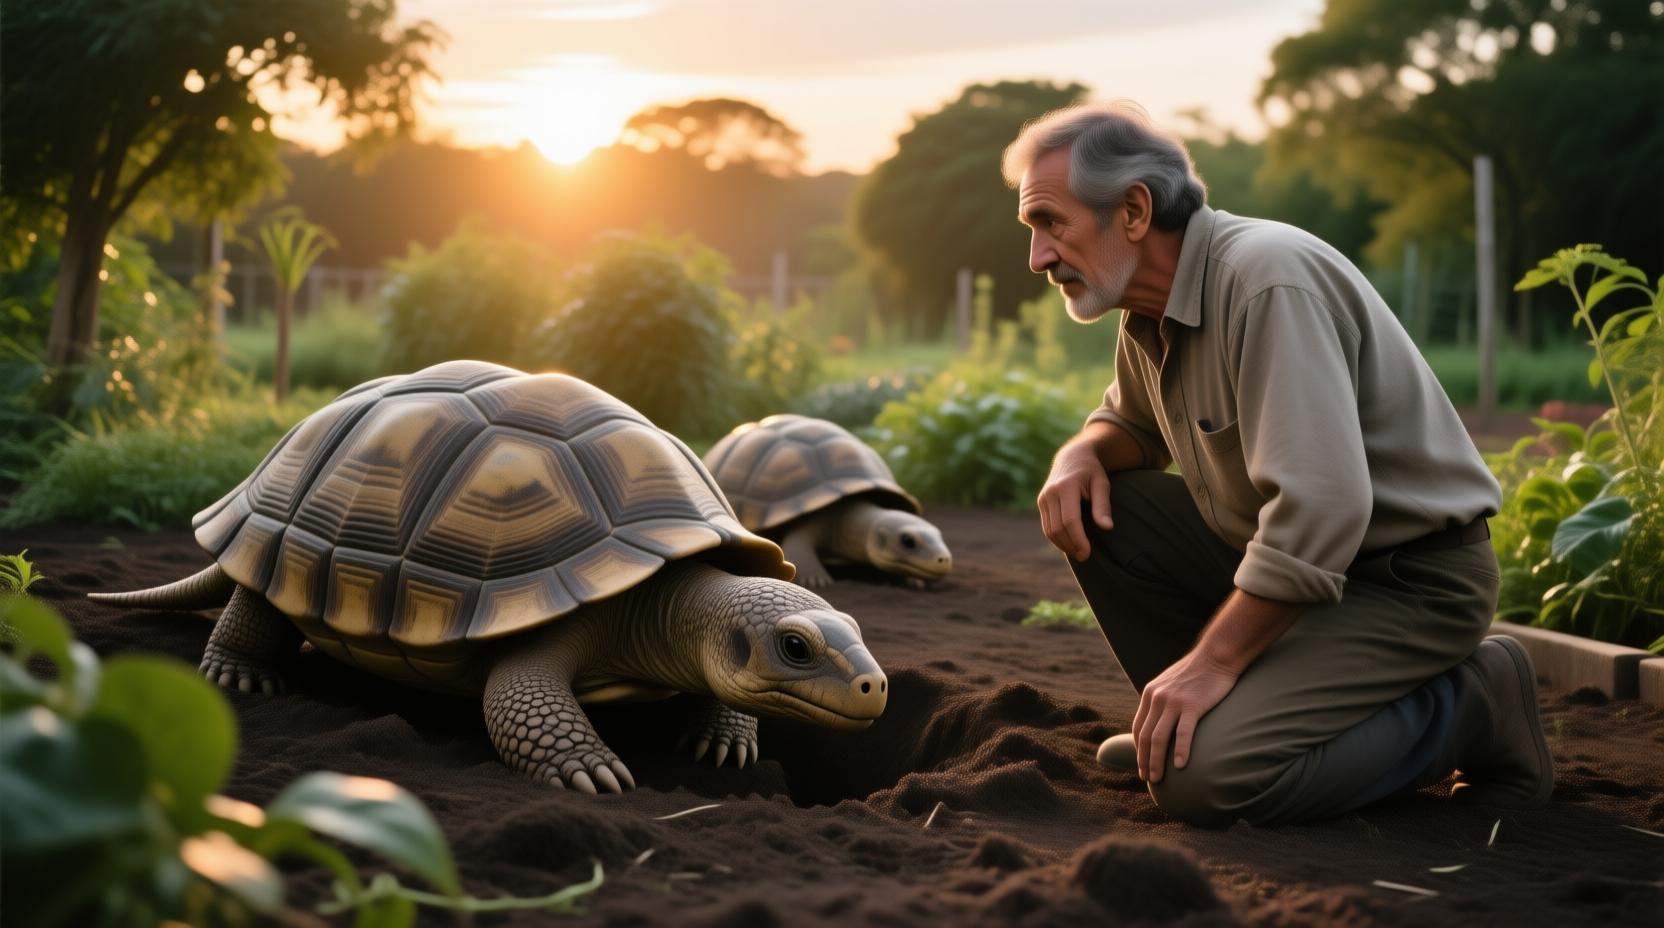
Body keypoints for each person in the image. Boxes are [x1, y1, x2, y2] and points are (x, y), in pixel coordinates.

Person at [1004, 101, 1552, 826]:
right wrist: (1079, 453)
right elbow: (1131, 423)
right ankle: (1199, 727)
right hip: (1310, 582)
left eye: (1052, 224)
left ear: (1133, 210)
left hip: (1407, 585)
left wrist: (1214, 662)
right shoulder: (1150, 307)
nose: (1038, 258)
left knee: (1206, 786)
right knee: (1111, 510)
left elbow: (1322, 506)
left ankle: (1474, 702)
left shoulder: (1265, 280)